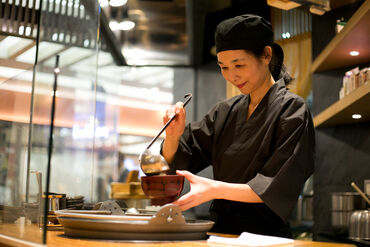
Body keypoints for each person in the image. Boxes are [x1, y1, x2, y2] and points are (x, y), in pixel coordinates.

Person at [161, 14, 315, 238]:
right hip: (220, 235)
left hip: (266, 237)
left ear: (266, 55)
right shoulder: (224, 111)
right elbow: (178, 162)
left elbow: (275, 186)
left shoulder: (293, 111)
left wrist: (214, 189)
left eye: (239, 65)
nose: (231, 76)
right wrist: (172, 136)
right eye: (223, 67)